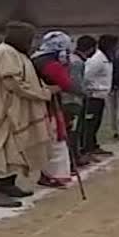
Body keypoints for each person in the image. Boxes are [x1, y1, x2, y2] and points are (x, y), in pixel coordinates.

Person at [0, 22, 56, 208]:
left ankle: (8, 185)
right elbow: (15, 84)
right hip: (5, 113)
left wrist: (44, 88)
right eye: (29, 39)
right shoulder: (5, 53)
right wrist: (44, 94)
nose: (31, 43)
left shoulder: (16, 54)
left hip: (17, 111)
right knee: (7, 152)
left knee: (18, 151)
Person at [32, 31, 79, 188]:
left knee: (48, 138)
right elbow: (66, 84)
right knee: (55, 137)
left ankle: (48, 172)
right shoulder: (50, 64)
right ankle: (54, 174)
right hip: (48, 105)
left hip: (40, 103)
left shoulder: (36, 58)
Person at [64, 35, 96, 171]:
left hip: (69, 99)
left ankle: (74, 156)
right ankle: (72, 159)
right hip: (72, 101)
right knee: (73, 130)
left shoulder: (72, 59)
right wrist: (86, 92)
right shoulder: (77, 62)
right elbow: (75, 84)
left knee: (73, 130)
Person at [84, 34, 118, 156]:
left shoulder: (107, 58)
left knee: (96, 122)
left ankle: (92, 145)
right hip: (93, 95)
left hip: (101, 96)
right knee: (90, 123)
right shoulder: (97, 59)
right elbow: (86, 76)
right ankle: (87, 147)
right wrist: (92, 89)